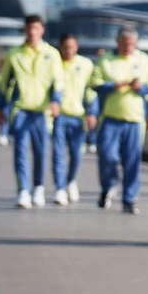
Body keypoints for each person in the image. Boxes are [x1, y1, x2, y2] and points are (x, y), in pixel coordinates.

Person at [0, 15, 63, 209]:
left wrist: (56, 101)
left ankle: (38, 187)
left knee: (41, 152)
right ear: (24, 30)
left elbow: (58, 81)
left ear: (42, 30)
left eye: (36, 28)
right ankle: (23, 190)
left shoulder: (51, 54)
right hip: (20, 109)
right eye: (29, 28)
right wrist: (0, 106)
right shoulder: (15, 54)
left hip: (42, 111)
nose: (33, 32)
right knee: (20, 150)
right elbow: (3, 81)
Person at [88, 26, 148, 214]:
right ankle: (108, 186)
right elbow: (94, 83)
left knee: (132, 161)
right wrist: (113, 86)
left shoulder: (143, 60)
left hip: (135, 120)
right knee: (107, 156)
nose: (129, 47)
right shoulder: (106, 60)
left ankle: (129, 197)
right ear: (117, 42)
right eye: (125, 43)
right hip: (111, 118)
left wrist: (140, 88)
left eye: (132, 44)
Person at [52, 33, 95, 205]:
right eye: (65, 47)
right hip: (59, 116)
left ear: (76, 47)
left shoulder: (85, 65)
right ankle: (60, 188)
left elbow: (91, 90)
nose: (68, 51)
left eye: (72, 47)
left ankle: (71, 181)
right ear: (60, 47)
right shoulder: (55, 64)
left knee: (77, 154)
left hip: (78, 116)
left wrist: (92, 111)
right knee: (58, 154)